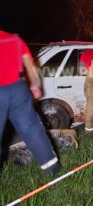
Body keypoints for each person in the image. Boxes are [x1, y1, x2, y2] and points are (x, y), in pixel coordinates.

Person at [0, 29, 60, 174]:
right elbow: (31, 66)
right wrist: (34, 85)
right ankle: (51, 169)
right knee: (32, 129)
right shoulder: (14, 39)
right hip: (18, 90)